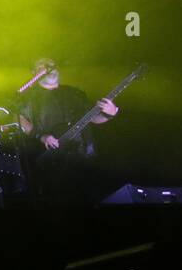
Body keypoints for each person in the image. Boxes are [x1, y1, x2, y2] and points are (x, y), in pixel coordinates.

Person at [17, 59, 119, 202]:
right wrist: (41, 136)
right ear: (34, 73)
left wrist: (109, 113)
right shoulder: (28, 97)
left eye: (51, 63)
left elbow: (93, 118)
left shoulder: (75, 92)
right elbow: (21, 120)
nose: (49, 67)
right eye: (42, 65)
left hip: (85, 159)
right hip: (52, 165)